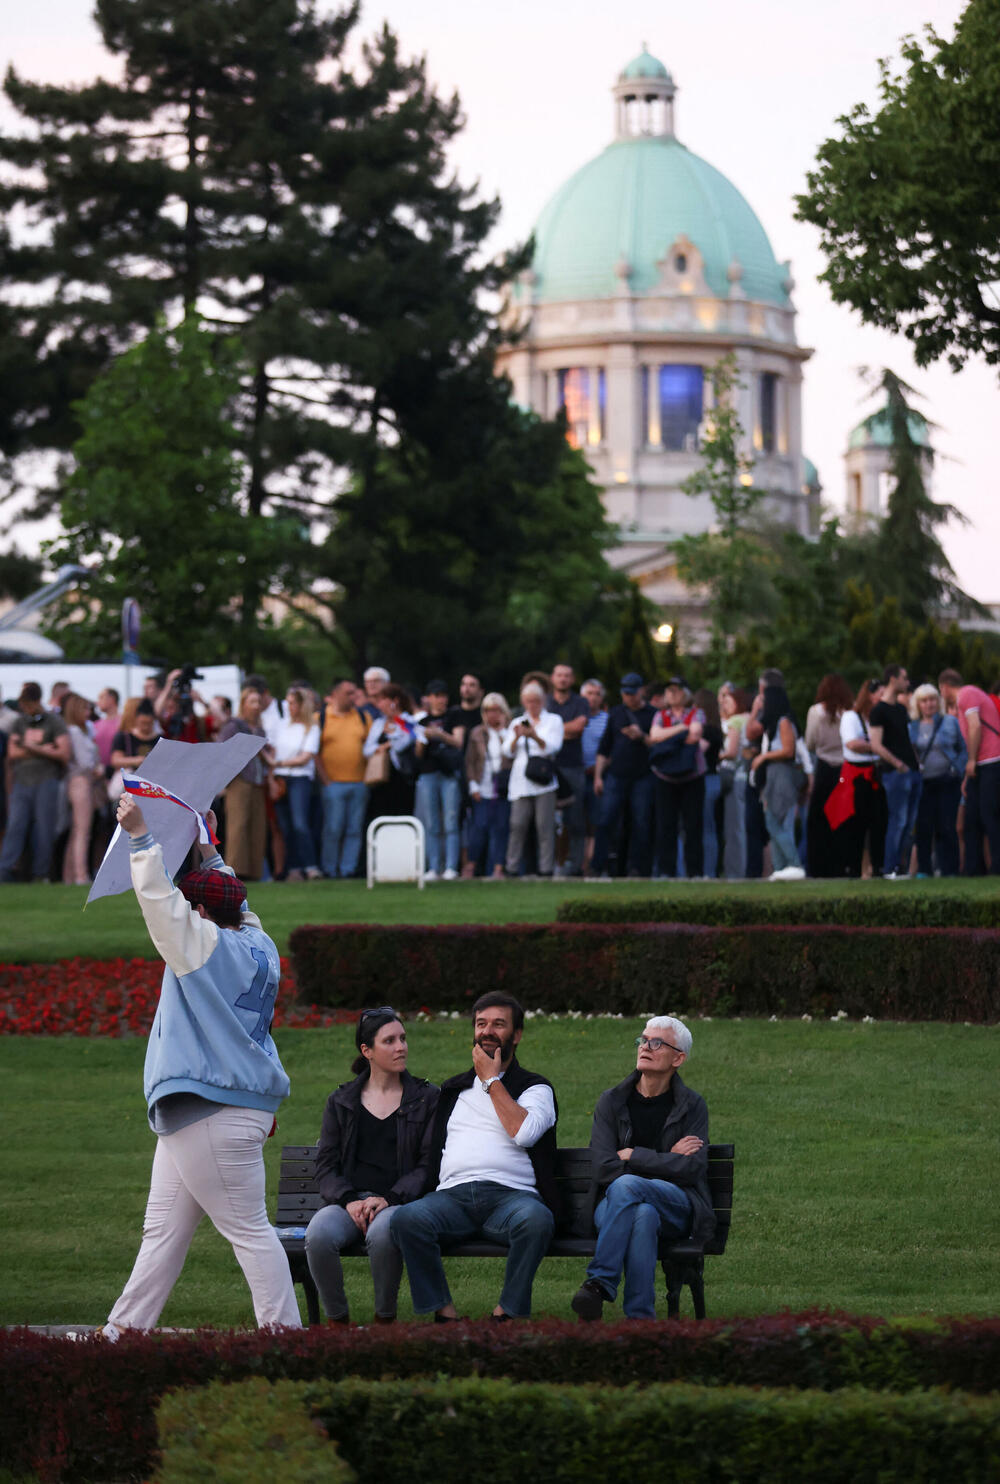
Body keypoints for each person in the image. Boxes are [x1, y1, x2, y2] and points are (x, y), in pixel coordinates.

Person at [102, 792, 301, 1339]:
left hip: (210, 1111)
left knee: (250, 1232)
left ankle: (286, 1340)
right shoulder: (258, 941)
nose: (186, 908)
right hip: (220, 1109)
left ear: (202, 913)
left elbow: (160, 903)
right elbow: (227, 896)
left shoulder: (199, 943)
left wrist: (142, 838)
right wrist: (207, 846)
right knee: (161, 1234)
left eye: (194, 904)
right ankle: (121, 1335)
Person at [391, 993, 557, 1321]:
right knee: (406, 1219)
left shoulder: (536, 1088)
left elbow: (524, 1133)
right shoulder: (453, 1091)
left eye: (499, 1024)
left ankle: (505, 1315)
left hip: (511, 1200)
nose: (488, 1031)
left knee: (537, 1220)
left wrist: (491, 1080)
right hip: (452, 1200)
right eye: (481, 1024)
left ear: (517, 1035)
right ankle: (445, 1315)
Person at [571, 1016, 714, 1322]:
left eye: (657, 1043)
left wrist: (635, 1155)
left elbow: (692, 1169)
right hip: (612, 1207)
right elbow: (603, 1167)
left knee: (627, 1187)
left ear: (679, 1058)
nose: (646, 1047)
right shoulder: (611, 1101)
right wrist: (667, 1158)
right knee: (642, 1213)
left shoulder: (692, 1106)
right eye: (643, 1040)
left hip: (675, 1205)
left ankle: (599, 1282)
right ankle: (640, 1320)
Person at [305, 1007, 438, 1326]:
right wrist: (349, 1200)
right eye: (389, 1041)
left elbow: (428, 1164)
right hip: (349, 1202)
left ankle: (384, 1321)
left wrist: (389, 1198)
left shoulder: (426, 1097)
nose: (401, 1047)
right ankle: (337, 1322)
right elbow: (325, 1166)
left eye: (403, 1039)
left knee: (382, 1233)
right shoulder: (341, 1102)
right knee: (319, 1235)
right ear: (367, 1051)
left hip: (398, 1202)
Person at [0, 681, 71, 883]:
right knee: (16, 825)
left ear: (37, 701)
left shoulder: (54, 721)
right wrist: (45, 749)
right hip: (22, 781)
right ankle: (5, 870)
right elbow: (13, 752)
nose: (25, 708)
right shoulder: (19, 722)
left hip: (46, 780)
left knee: (44, 827)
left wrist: (30, 747)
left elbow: (64, 753)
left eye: (28, 703)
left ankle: (41, 873)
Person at [591, 673, 655, 878]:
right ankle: (598, 866)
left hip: (642, 776)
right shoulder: (617, 713)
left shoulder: (653, 714)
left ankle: (637, 868)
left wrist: (641, 735)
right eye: (625, 694)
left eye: (632, 694)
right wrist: (598, 776)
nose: (629, 698)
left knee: (641, 822)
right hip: (616, 776)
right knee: (606, 820)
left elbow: (659, 744)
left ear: (641, 691)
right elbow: (604, 747)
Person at [937, 668, 1000, 876]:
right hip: (981, 764)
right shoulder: (971, 694)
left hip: (989, 760)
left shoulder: (966, 695)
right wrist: (968, 773)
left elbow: (974, 727)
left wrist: (972, 759)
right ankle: (973, 868)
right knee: (972, 817)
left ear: (944, 687)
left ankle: (996, 867)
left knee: (989, 815)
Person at [502, 681, 564, 877]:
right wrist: (516, 737)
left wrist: (534, 736)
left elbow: (554, 747)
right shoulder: (517, 722)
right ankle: (511, 868)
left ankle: (546, 869)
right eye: (528, 701)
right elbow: (507, 752)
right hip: (521, 782)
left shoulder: (554, 720)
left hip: (544, 782)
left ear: (543, 700)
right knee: (517, 826)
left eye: (536, 701)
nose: (532, 705)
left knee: (545, 827)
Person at [830, 680, 887, 878]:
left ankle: (876, 867)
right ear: (871, 696)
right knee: (855, 824)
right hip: (856, 775)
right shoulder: (851, 717)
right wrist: (878, 746)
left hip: (875, 772)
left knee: (878, 822)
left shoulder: (877, 718)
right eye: (881, 694)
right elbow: (852, 743)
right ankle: (852, 867)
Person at [316, 678, 371, 879]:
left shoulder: (363, 717)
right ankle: (331, 869)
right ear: (337, 694)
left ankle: (348, 869)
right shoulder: (321, 717)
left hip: (359, 782)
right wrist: (325, 780)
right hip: (333, 783)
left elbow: (370, 747)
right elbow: (315, 752)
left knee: (354, 829)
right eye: (349, 693)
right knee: (333, 828)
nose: (354, 696)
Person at [868, 664, 920, 878]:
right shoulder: (878, 711)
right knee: (897, 821)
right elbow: (876, 744)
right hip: (896, 773)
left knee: (908, 823)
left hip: (913, 771)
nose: (907, 683)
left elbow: (907, 740)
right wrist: (897, 764)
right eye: (904, 678)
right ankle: (890, 868)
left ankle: (899, 866)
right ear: (893, 679)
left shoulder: (900, 709)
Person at [909, 683, 966, 877]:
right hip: (924, 782)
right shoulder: (913, 726)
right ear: (918, 704)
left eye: (932, 699)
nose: (929, 704)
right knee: (924, 827)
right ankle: (924, 870)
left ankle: (950, 869)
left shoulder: (950, 722)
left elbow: (963, 748)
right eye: (924, 700)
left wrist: (957, 768)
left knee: (947, 826)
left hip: (948, 780)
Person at [650, 677, 705, 879]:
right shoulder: (659, 715)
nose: (672, 694)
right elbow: (654, 735)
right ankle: (666, 871)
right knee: (666, 825)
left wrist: (669, 735)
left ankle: (695, 872)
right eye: (669, 690)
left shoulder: (697, 713)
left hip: (692, 776)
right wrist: (682, 729)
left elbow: (696, 733)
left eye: (676, 690)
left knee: (693, 826)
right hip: (664, 777)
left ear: (685, 693)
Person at [750, 680, 805, 881]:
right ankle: (781, 869)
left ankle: (794, 864)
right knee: (772, 822)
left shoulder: (783, 721)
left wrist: (763, 757)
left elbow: (789, 750)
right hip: (773, 777)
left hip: (782, 776)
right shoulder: (773, 724)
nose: (761, 702)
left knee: (776, 822)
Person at [217, 687, 272, 880]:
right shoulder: (234, 726)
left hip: (257, 782)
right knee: (238, 826)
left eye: (259, 702)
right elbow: (222, 750)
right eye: (252, 702)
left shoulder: (260, 728)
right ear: (243, 704)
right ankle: (235, 872)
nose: (257, 707)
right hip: (239, 781)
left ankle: (254, 871)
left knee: (258, 826)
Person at [415, 680, 466, 883]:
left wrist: (439, 734)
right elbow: (418, 754)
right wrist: (422, 738)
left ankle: (452, 867)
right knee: (431, 822)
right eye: (436, 696)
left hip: (448, 773)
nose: (440, 700)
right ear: (429, 698)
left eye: (443, 695)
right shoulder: (422, 721)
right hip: (428, 773)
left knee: (451, 820)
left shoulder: (454, 716)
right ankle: (433, 867)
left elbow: (458, 742)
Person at [804, 674, 854, 878]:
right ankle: (842, 864)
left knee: (819, 819)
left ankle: (818, 866)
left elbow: (810, 742)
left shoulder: (816, 712)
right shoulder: (849, 713)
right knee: (842, 817)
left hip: (824, 767)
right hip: (844, 769)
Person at [271, 686, 321, 881]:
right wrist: (272, 774)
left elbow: (305, 757)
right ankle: (293, 867)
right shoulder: (281, 725)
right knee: (286, 826)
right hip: (280, 777)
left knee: (300, 823)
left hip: (299, 777)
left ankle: (310, 865)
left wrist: (279, 763)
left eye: (292, 703)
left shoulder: (311, 727)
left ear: (301, 705)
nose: (289, 706)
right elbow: (273, 752)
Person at [546, 663, 590, 878]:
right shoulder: (545, 701)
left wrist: (550, 730)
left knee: (575, 818)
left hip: (573, 766)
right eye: (559, 675)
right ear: (552, 678)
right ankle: (549, 864)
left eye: (567, 675)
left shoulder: (581, 702)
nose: (563, 679)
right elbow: (540, 730)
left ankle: (574, 865)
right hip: (548, 767)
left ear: (572, 680)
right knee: (546, 819)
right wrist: (563, 730)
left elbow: (579, 728)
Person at [465, 692, 512, 879]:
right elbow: (470, 761)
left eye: (496, 710)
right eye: (488, 710)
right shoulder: (477, 732)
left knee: (501, 828)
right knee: (479, 827)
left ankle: (498, 868)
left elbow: (511, 754)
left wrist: (502, 732)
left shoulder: (510, 731)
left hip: (503, 788)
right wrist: (473, 786)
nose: (492, 714)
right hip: (482, 786)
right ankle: (471, 866)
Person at [363, 684, 423, 819]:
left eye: (382, 700)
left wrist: (392, 733)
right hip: (380, 778)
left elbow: (403, 743)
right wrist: (381, 747)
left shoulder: (407, 721)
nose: (379, 705)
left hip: (402, 777)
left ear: (394, 701)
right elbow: (367, 750)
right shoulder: (378, 723)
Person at [60, 692, 102, 885]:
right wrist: (97, 768)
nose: (88, 712)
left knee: (77, 830)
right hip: (81, 780)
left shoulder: (80, 730)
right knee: (82, 830)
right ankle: (80, 875)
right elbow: (86, 762)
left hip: (79, 780)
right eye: (85, 709)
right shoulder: (76, 732)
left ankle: (70, 875)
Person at [717, 682, 751, 879]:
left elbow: (730, 752)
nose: (724, 705)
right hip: (745, 777)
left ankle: (734, 873)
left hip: (733, 777)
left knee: (734, 829)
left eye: (727, 701)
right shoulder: (749, 719)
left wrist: (717, 754)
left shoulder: (735, 722)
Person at [92, 688, 121, 771]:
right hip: (98, 773)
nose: (97, 702)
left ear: (111, 699)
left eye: (101, 698)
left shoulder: (124, 723)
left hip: (118, 774)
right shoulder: (95, 725)